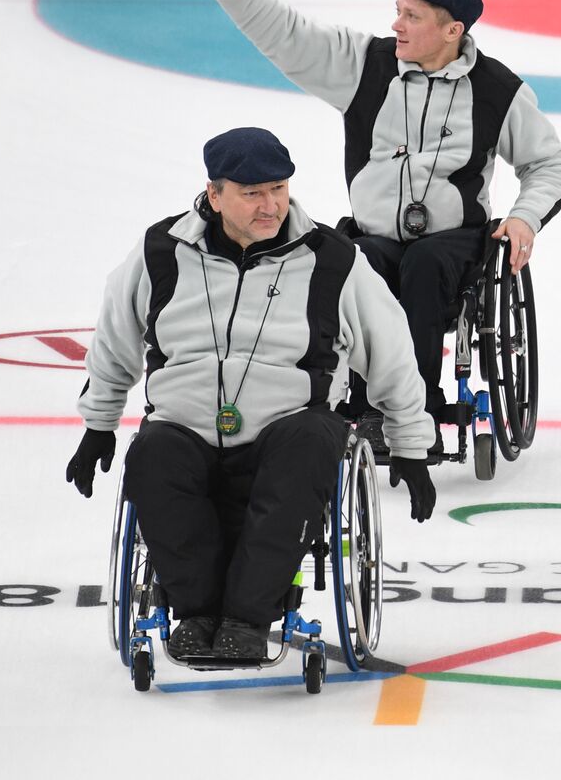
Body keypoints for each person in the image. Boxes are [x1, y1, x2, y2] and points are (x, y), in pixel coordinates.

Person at [203, 0, 561, 461]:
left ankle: (412, 409)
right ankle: (362, 403)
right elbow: (286, 34)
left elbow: (550, 165)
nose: (395, 23)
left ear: (453, 31)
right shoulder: (364, 66)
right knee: (354, 264)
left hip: (454, 243)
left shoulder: (497, 91)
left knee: (423, 267)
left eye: (411, 16)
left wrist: (523, 218)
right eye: (397, 11)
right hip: (373, 234)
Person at [66, 127, 435, 660]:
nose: (272, 205)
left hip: (290, 425)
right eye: (253, 193)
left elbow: (392, 355)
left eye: (279, 189)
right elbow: (114, 341)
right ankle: (195, 614)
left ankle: (245, 618)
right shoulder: (160, 252)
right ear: (215, 195)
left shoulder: (333, 259)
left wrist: (411, 445)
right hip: (185, 425)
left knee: (309, 444)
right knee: (152, 453)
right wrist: (99, 425)